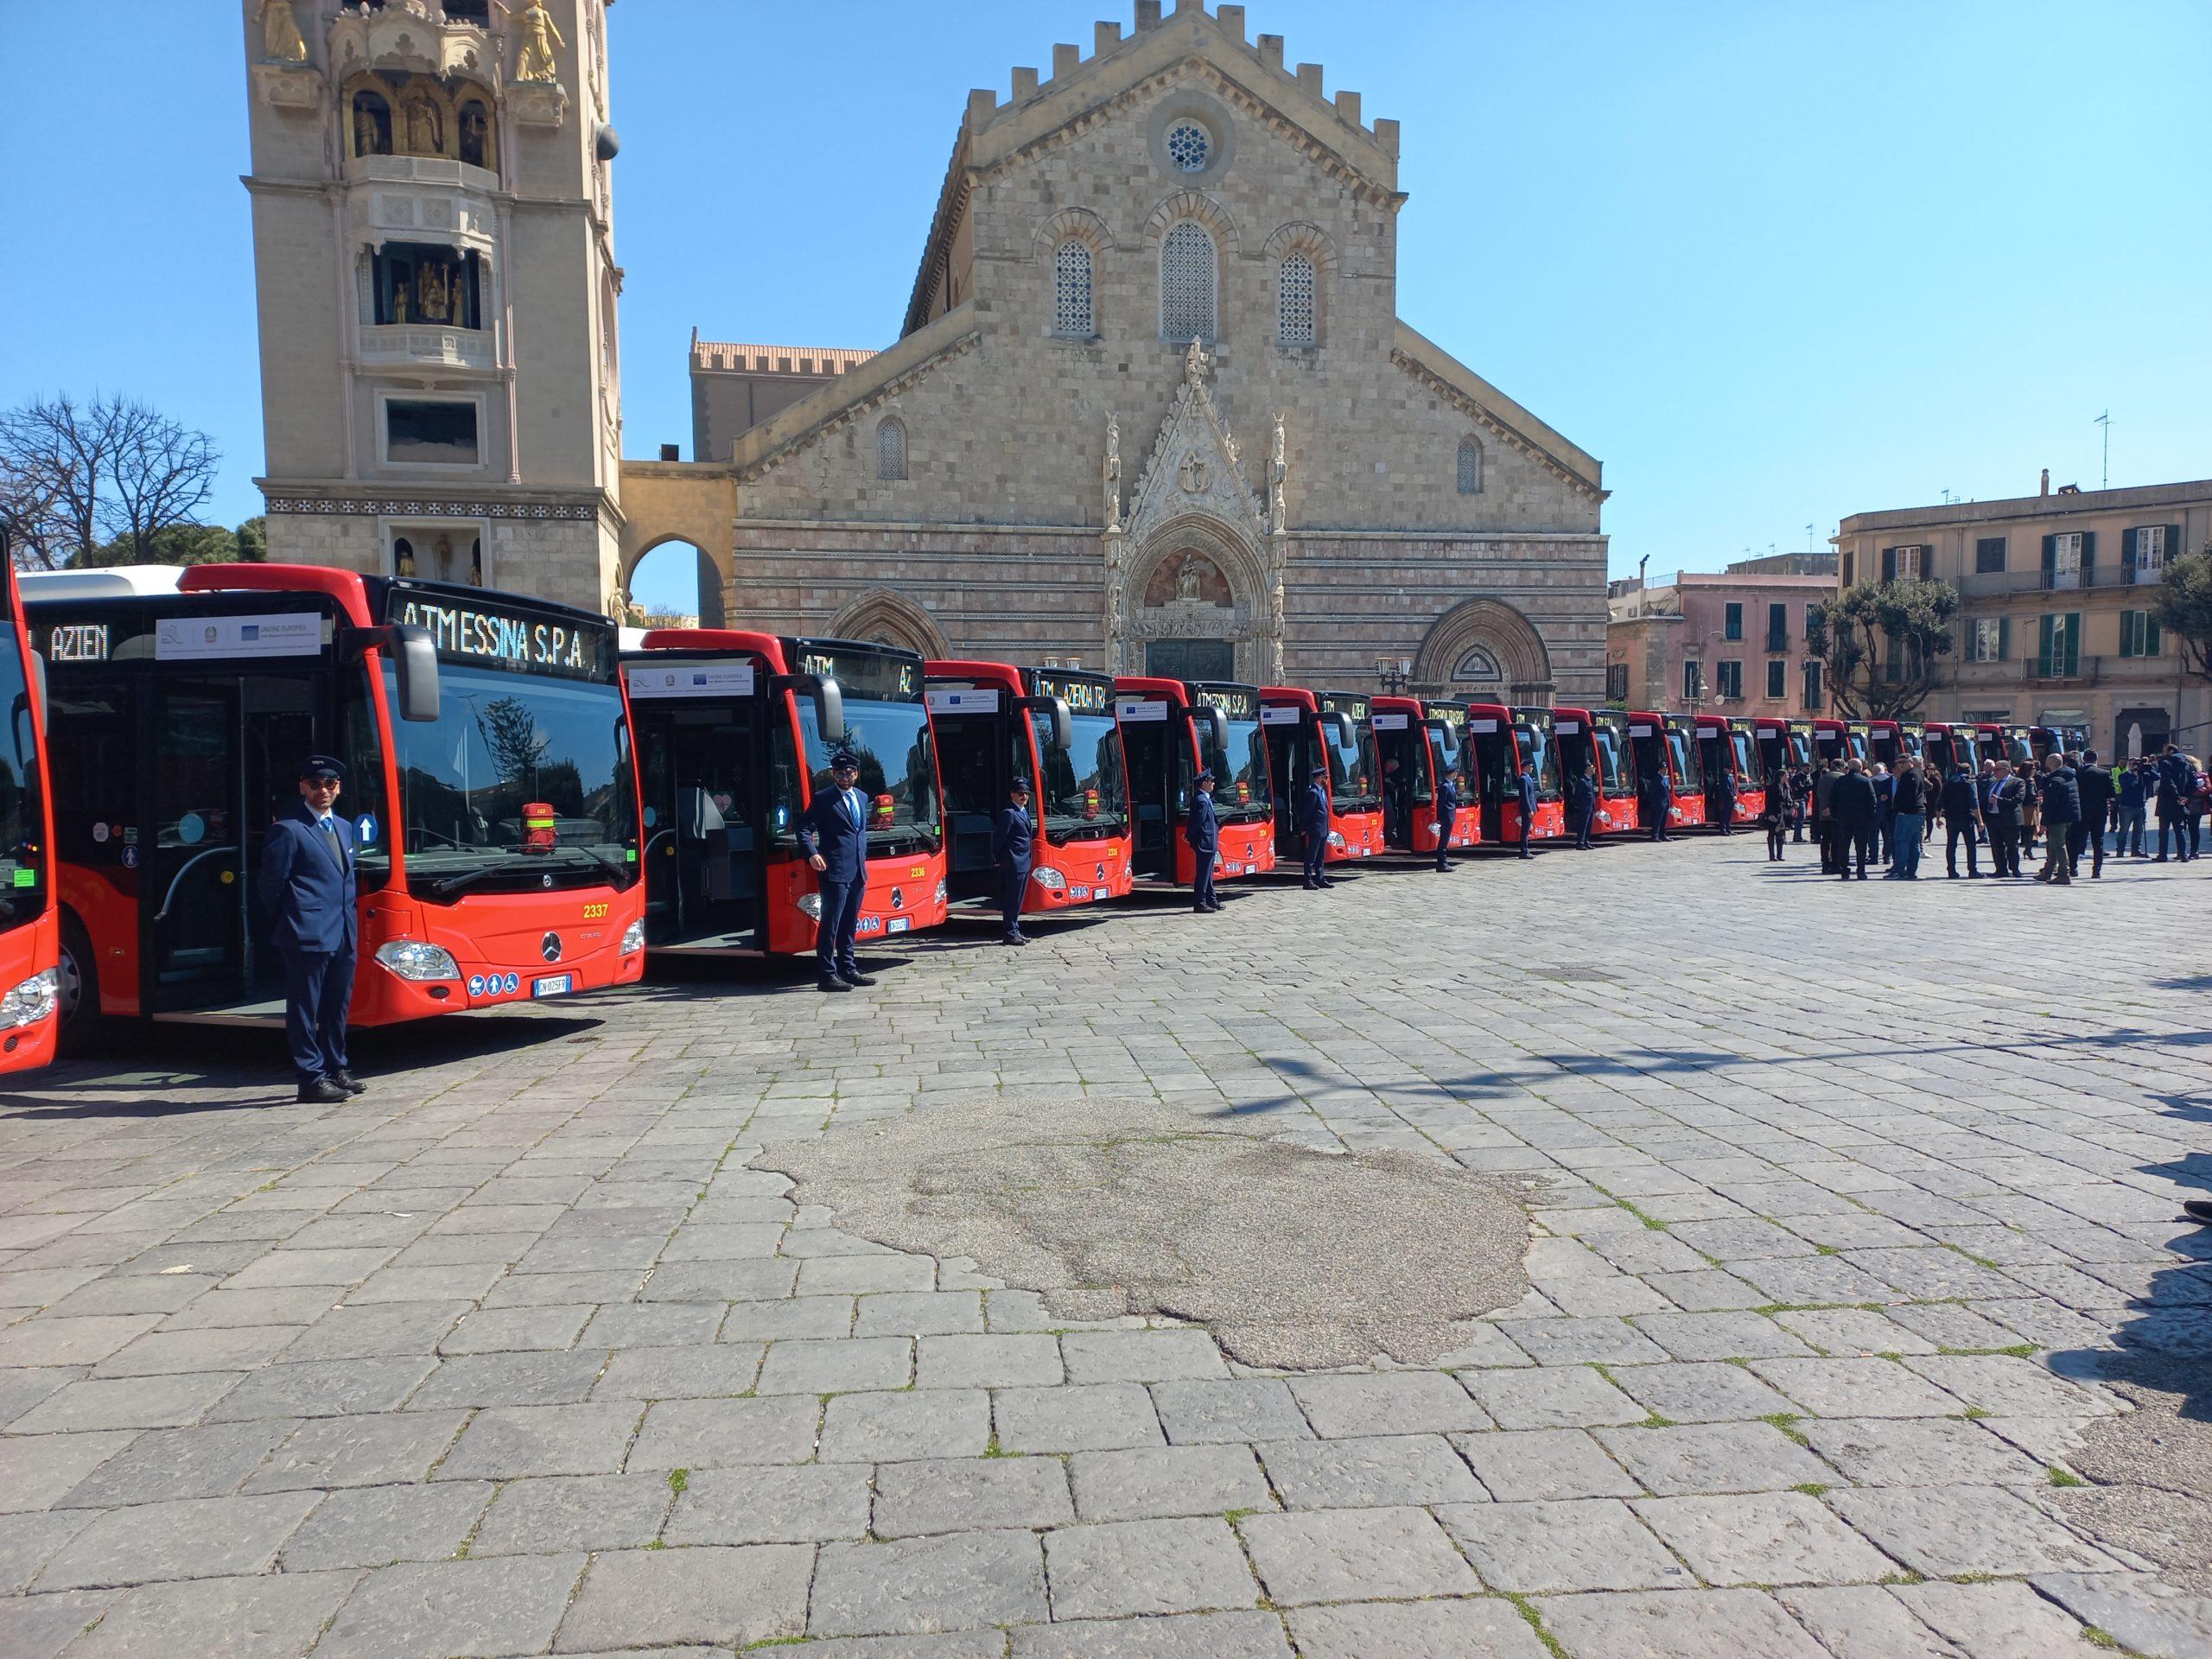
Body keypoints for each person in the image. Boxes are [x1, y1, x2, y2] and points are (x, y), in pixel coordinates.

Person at [256, 756, 365, 1103]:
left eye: (330, 784)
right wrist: (294, 919)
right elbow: (270, 885)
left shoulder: (344, 827)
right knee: (305, 1007)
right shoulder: (289, 829)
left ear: (339, 788)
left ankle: (336, 1067)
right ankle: (311, 1078)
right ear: (303, 787)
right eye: (315, 784)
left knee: (337, 1005)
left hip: (343, 931)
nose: (323, 790)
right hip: (306, 932)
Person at [797, 749, 874, 991]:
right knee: (831, 923)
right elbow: (804, 829)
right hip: (835, 870)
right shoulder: (823, 799)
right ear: (833, 775)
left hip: (857, 870)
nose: (844, 777)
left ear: (855, 774)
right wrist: (813, 853)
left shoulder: (861, 797)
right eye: (839, 773)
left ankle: (848, 969)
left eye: (848, 773)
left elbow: (859, 832)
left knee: (849, 923)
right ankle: (827, 974)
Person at [992, 775, 1035, 944]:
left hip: (1024, 862)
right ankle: (1010, 933)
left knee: (1018, 900)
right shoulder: (1009, 813)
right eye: (1020, 793)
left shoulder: (1023, 812)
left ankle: (1015, 930)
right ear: (1012, 794)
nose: (1024, 796)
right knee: (1011, 899)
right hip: (1013, 863)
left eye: (1026, 793)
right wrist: (997, 858)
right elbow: (999, 839)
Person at [2035, 751, 2079, 885]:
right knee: (2053, 843)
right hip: (2069, 816)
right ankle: (2047, 872)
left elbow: (2050, 804)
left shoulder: (2055, 780)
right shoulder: (2070, 776)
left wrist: (2044, 823)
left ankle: (2064, 873)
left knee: (2058, 845)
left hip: (2058, 817)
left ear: (2049, 764)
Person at [1830, 758, 1878, 880]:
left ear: (1848, 768)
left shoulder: (1840, 781)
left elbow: (1832, 800)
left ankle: (1844, 871)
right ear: (1860, 768)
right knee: (1861, 846)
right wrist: (1871, 817)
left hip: (1843, 818)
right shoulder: (1865, 781)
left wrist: (1836, 815)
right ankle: (1861, 872)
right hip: (1862, 819)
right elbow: (1872, 801)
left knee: (1844, 846)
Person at [2073, 748, 2115, 879]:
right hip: (2099, 812)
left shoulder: (2078, 773)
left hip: (2082, 811)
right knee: (2098, 842)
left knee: (2077, 840)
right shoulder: (2104, 773)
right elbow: (2111, 793)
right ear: (2096, 759)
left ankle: (2073, 868)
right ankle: (2096, 870)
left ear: (2083, 759)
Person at [1939, 762, 1984, 878]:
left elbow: (1939, 802)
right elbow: (1974, 803)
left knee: (1951, 845)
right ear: (1969, 771)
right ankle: (1972, 870)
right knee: (1970, 845)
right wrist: (1980, 821)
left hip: (1951, 818)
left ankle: (1951, 871)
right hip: (1966, 818)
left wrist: (1938, 818)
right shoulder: (1970, 783)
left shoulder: (1948, 783)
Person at [1983, 759, 2024, 878]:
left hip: (2009, 819)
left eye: (1997, 769)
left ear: (2007, 770)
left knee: (2012, 845)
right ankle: (2000, 869)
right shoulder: (1993, 782)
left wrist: (1999, 800)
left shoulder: (2017, 782)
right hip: (1993, 818)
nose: (1994, 772)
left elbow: (2018, 799)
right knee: (1996, 846)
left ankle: (2014, 868)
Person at [1187, 768, 1222, 911]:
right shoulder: (1201, 800)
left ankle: (1211, 899)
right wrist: (1188, 835)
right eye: (1211, 781)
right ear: (1204, 783)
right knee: (1203, 874)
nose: (1213, 783)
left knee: (1209, 874)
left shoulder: (1206, 799)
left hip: (1209, 842)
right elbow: (1197, 821)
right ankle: (1200, 903)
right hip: (1204, 842)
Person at [1886, 758, 1926, 880]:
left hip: (1908, 813)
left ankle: (1899, 871)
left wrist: (1900, 808)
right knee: (1914, 843)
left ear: (1911, 763)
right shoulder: (1918, 773)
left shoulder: (1910, 776)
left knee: (1901, 842)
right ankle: (1911, 871)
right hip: (1917, 813)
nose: (1901, 765)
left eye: (1904, 762)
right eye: (1899, 763)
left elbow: (1910, 795)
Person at [2155, 745, 2190, 861]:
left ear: (2171, 751)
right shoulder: (2187, 764)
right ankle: (2183, 855)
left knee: (2164, 830)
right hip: (2181, 802)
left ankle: (2163, 855)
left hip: (2167, 801)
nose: (2163, 753)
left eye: (2164, 751)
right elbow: (2192, 782)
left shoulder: (2166, 763)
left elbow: (2168, 781)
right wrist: (2185, 797)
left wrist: (2177, 796)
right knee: (2179, 829)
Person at [1298, 769, 1332, 888]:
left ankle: (1320, 878)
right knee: (1311, 856)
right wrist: (1303, 827)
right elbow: (1307, 812)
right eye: (1325, 777)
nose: (1327, 780)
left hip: (1323, 829)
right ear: (1319, 778)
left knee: (1320, 857)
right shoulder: (1313, 792)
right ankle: (1308, 881)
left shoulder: (1322, 791)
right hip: (1316, 829)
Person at [2117, 759, 2150, 857]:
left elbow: (2156, 777)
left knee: (2139, 830)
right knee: (2124, 830)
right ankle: (2120, 850)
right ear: (2129, 765)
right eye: (2133, 764)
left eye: (2137, 764)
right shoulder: (2123, 776)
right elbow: (2129, 786)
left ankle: (2136, 850)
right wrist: (2134, 775)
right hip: (2127, 807)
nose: (2135, 766)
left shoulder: (2142, 775)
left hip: (2140, 806)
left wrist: (2147, 767)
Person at [1813, 759, 1842, 872]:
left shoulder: (1823, 778)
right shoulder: (1842, 778)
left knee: (1825, 839)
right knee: (1837, 839)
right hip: (1838, 814)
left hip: (1823, 813)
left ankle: (1825, 864)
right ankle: (1836, 864)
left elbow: (1819, 795)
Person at [1433, 762, 1460, 870]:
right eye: (1456, 772)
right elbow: (1441, 804)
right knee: (1444, 840)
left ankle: (1443, 862)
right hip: (1446, 817)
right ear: (1452, 773)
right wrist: (1439, 818)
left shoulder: (1450, 785)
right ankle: (1442, 863)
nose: (1456, 775)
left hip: (1449, 816)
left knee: (1445, 839)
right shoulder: (1445, 786)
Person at [1567, 763, 1599, 849]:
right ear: (1587, 769)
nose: (1594, 769)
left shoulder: (1590, 780)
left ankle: (1586, 841)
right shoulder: (1582, 781)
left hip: (1590, 807)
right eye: (1592, 767)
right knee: (1583, 825)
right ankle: (1580, 843)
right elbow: (1578, 794)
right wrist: (1577, 805)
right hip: (1584, 807)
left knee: (1589, 825)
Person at [1643, 760, 1674, 843]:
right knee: (1657, 820)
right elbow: (1652, 792)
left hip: (1665, 803)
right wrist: (1655, 802)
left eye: (1666, 769)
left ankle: (1662, 835)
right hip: (1658, 803)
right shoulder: (1656, 779)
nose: (1666, 770)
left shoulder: (1666, 779)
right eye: (1664, 769)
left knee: (1664, 820)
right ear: (1660, 770)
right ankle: (1655, 836)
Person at [1870, 761, 1894, 865]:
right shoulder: (1891, 779)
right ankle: (1887, 857)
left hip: (1875, 812)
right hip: (1888, 811)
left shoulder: (1872, 780)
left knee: (1873, 835)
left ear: (1874, 771)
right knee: (1887, 835)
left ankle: (1873, 857)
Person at [1760, 768, 1787, 861]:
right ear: (1780, 777)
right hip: (1773, 813)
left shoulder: (1786, 786)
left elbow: (1787, 798)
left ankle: (1780, 854)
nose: (1787, 777)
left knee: (1781, 834)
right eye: (1785, 776)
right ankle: (1772, 855)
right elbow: (1769, 802)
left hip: (1781, 813)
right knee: (1772, 833)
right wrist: (1770, 814)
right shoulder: (1772, 787)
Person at [1515, 760, 1538, 856]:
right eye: (1531, 766)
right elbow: (1525, 796)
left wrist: (1535, 808)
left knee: (1527, 830)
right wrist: (1529, 810)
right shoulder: (1523, 779)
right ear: (1526, 766)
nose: (1532, 768)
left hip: (1531, 808)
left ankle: (1526, 850)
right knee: (1525, 830)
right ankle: (1524, 851)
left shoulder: (1529, 778)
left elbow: (1532, 795)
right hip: (1526, 809)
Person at [1712, 760, 1738, 837]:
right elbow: (1727, 789)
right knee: (1725, 814)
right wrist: (1732, 796)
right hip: (1726, 799)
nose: (1731, 770)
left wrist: (1735, 795)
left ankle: (1729, 829)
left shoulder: (1731, 777)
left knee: (1729, 815)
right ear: (1726, 769)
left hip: (1731, 799)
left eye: (1732, 769)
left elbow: (1734, 787)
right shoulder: (1724, 778)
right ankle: (1724, 829)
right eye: (1730, 769)